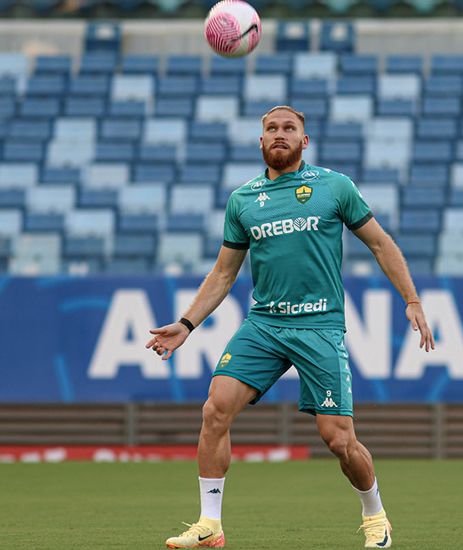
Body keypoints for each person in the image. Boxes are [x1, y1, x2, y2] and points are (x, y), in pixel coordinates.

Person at [148, 105, 435, 549]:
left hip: (319, 326)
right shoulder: (243, 200)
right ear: (260, 142)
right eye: (271, 129)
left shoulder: (334, 187)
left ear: (305, 140)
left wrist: (412, 300)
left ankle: (374, 513)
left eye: (289, 128)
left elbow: (380, 244)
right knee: (214, 410)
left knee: (338, 439)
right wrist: (187, 323)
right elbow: (224, 273)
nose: (279, 134)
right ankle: (210, 525)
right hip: (264, 325)